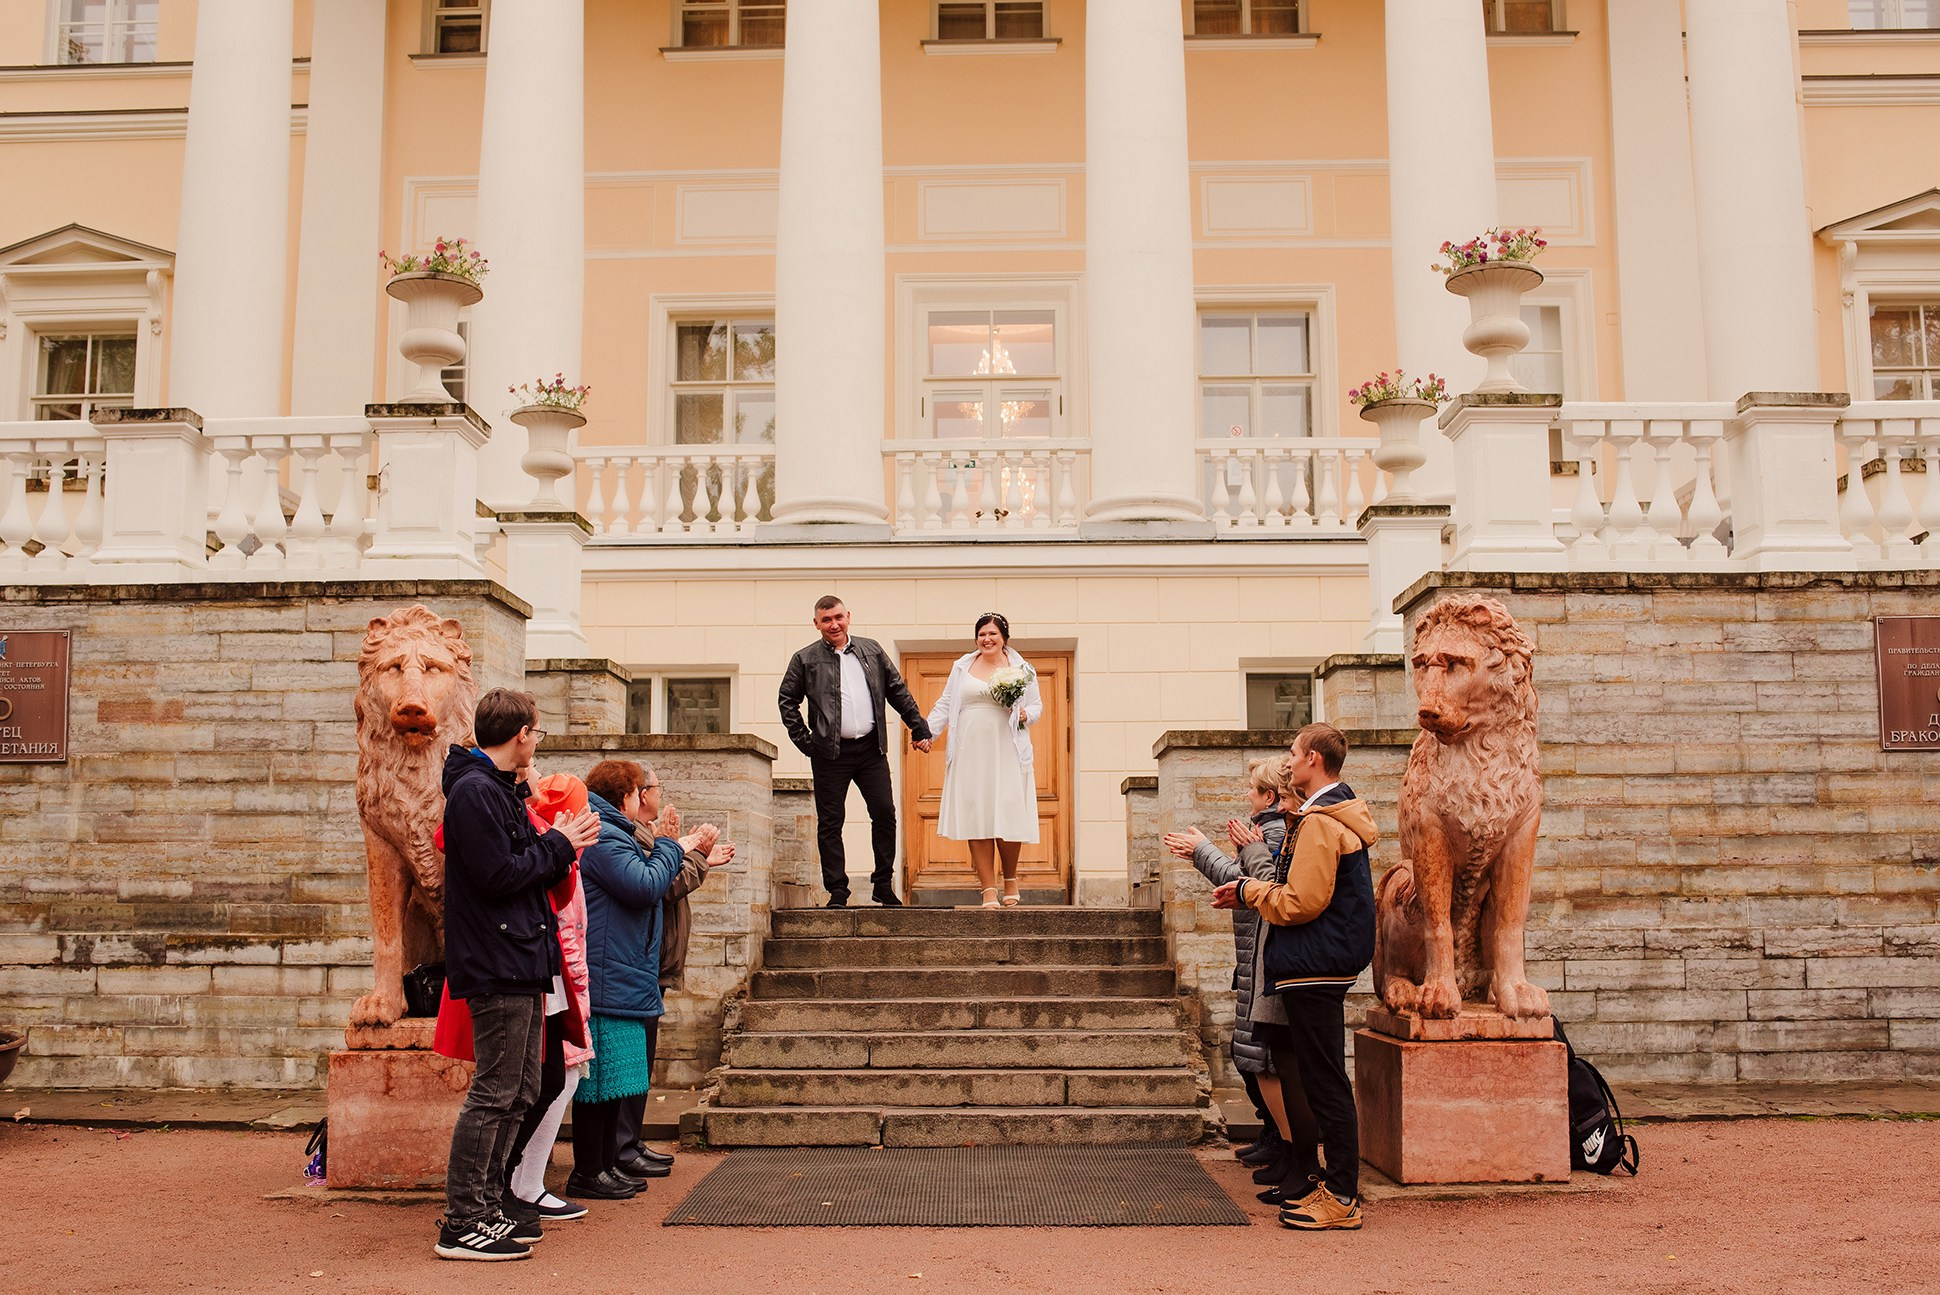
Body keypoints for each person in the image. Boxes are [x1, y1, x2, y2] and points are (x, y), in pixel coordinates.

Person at [436, 689, 600, 1262]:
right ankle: (463, 1217)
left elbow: (524, 867)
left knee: (523, 1087)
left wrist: (557, 839)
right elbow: (497, 875)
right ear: (523, 733)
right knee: (495, 1091)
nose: (538, 742)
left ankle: (489, 1203)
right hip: (497, 960)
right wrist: (560, 841)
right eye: (538, 732)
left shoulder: (495, 790)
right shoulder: (474, 791)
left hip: (520, 956)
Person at [1212, 722, 1379, 1232]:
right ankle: (1336, 1187)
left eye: (1293, 753)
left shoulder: (1323, 821)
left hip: (1315, 966)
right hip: (1317, 965)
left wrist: (1246, 891)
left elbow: (1301, 901)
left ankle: (1343, 1195)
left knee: (1324, 1079)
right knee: (1319, 1076)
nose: (1288, 762)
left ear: (1314, 760)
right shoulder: (1317, 815)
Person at [569, 760, 729, 1201]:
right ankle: (590, 1169)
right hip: (608, 972)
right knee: (600, 1082)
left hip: (622, 968)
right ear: (629, 795)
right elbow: (646, 886)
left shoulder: (613, 831)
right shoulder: (605, 834)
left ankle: (604, 1163)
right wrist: (672, 846)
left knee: (616, 1076)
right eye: (643, 790)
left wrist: (676, 850)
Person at [1163, 758, 1291, 1179]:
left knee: (1262, 1059)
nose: (1247, 796)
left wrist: (1202, 850)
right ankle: (1275, 1138)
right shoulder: (1269, 829)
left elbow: (1249, 882)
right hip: (1252, 961)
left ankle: (1287, 1147)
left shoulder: (1272, 831)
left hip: (1265, 959)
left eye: (1252, 790)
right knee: (1251, 1057)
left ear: (1268, 797)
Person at [778, 595, 932, 907]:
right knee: (830, 823)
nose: (833, 624)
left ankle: (882, 885)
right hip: (829, 754)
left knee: (885, 814)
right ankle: (837, 890)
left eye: (837, 617)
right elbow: (787, 701)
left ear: (848, 616)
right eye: (826, 620)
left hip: (871, 750)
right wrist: (808, 744)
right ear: (817, 624)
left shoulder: (871, 650)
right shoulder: (805, 659)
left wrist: (918, 726)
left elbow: (896, 690)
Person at [612, 801, 732, 1176]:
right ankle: (620, 1147)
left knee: (641, 1059)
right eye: (651, 790)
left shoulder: (642, 833)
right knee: (630, 1060)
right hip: (642, 962)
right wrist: (694, 856)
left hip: (652, 962)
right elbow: (661, 886)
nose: (660, 797)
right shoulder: (629, 835)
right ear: (634, 795)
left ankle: (629, 1143)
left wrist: (697, 858)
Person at [501, 772, 595, 1225]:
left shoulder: (564, 857)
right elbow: (562, 926)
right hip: (552, 980)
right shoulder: (553, 853)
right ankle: (523, 1183)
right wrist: (577, 979)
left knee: (560, 1077)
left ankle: (524, 1182)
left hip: (559, 980)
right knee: (551, 1079)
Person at [925, 612, 1043, 908]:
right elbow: (946, 703)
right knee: (978, 813)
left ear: (1004, 637)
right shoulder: (962, 667)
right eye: (981, 634)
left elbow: (1036, 704)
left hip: (1006, 747)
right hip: (971, 749)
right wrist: (927, 733)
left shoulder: (1022, 668)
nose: (986, 639)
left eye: (992, 634)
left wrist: (1028, 714)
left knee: (1008, 811)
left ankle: (1011, 880)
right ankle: (988, 888)